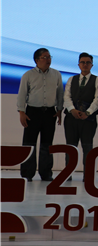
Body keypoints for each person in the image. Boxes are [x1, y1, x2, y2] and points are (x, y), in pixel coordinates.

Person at [17, 48, 63, 181]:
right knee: (29, 144)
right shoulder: (28, 75)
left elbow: (60, 93)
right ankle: (27, 174)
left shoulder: (56, 74)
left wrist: (59, 110)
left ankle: (46, 173)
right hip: (32, 112)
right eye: (45, 57)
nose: (48, 60)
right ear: (37, 60)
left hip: (50, 113)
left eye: (49, 57)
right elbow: (22, 94)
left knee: (47, 144)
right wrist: (21, 112)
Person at [63, 52, 98, 180]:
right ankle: (67, 174)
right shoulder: (71, 79)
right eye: (83, 62)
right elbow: (66, 97)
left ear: (92, 65)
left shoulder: (97, 80)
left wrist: (88, 112)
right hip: (71, 118)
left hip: (88, 120)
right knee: (70, 147)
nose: (85, 65)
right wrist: (72, 110)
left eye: (88, 62)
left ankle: (88, 175)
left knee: (87, 147)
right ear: (79, 64)